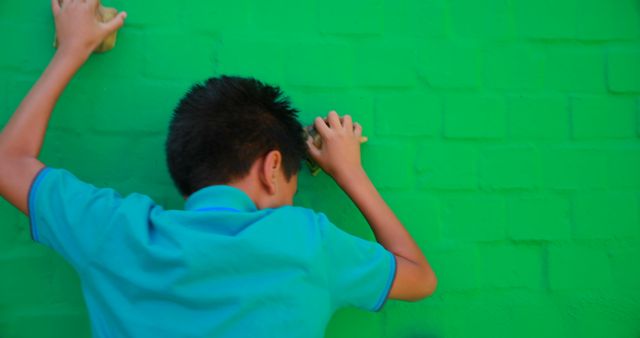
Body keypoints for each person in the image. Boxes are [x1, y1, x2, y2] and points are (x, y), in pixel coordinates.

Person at [0, 0, 437, 337]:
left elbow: (8, 162)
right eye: (292, 185)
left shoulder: (114, 231)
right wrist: (348, 172)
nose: (292, 198)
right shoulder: (309, 242)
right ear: (272, 168)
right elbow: (419, 278)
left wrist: (73, 49)